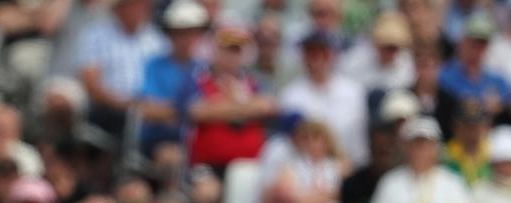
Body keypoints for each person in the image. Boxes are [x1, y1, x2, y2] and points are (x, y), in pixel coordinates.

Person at [184, 23, 276, 173]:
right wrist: (246, 107)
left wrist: (225, 105)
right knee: (206, 193)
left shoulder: (255, 81)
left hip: (249, 164)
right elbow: (198, 112)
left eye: (236, 50)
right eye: (227, 49)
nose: (232, 55)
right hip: (208, 164)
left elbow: (268, 107)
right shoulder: (198, 78)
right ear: (215, 50)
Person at [367, 116, 473, 203]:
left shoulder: (453, 181)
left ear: (437, 148)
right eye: (417, 144)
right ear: (406, 147)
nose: (422, 150)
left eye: (428, 144)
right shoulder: (390, 182)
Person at [75, 0, 168, 138]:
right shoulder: (97, 34)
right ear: (118, 8)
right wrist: (125, 105)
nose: (137, 10)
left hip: (148, 110)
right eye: (131, 5)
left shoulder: (157, 40)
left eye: (141, 5)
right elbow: (90, 82)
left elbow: (164, 83)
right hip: (107, 109)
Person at [279, 29, 369, 167]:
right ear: (303, 56)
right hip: (307, 170)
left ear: (332, 55)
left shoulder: (353, 91)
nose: (317, 59)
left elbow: (359, 141)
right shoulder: (291, 95)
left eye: (323, 52)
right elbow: (290, 144)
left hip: (351, 169)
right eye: (311, 53)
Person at [138, 0, 208, 156]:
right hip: (159, 140)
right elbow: (149, 109)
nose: (186, 39)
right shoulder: (155, 65)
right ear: (169, 34)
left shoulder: (205, 68)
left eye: (191, 32)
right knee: (173, 158)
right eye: (180, 33)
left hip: (199, 144)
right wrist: (189, 112)